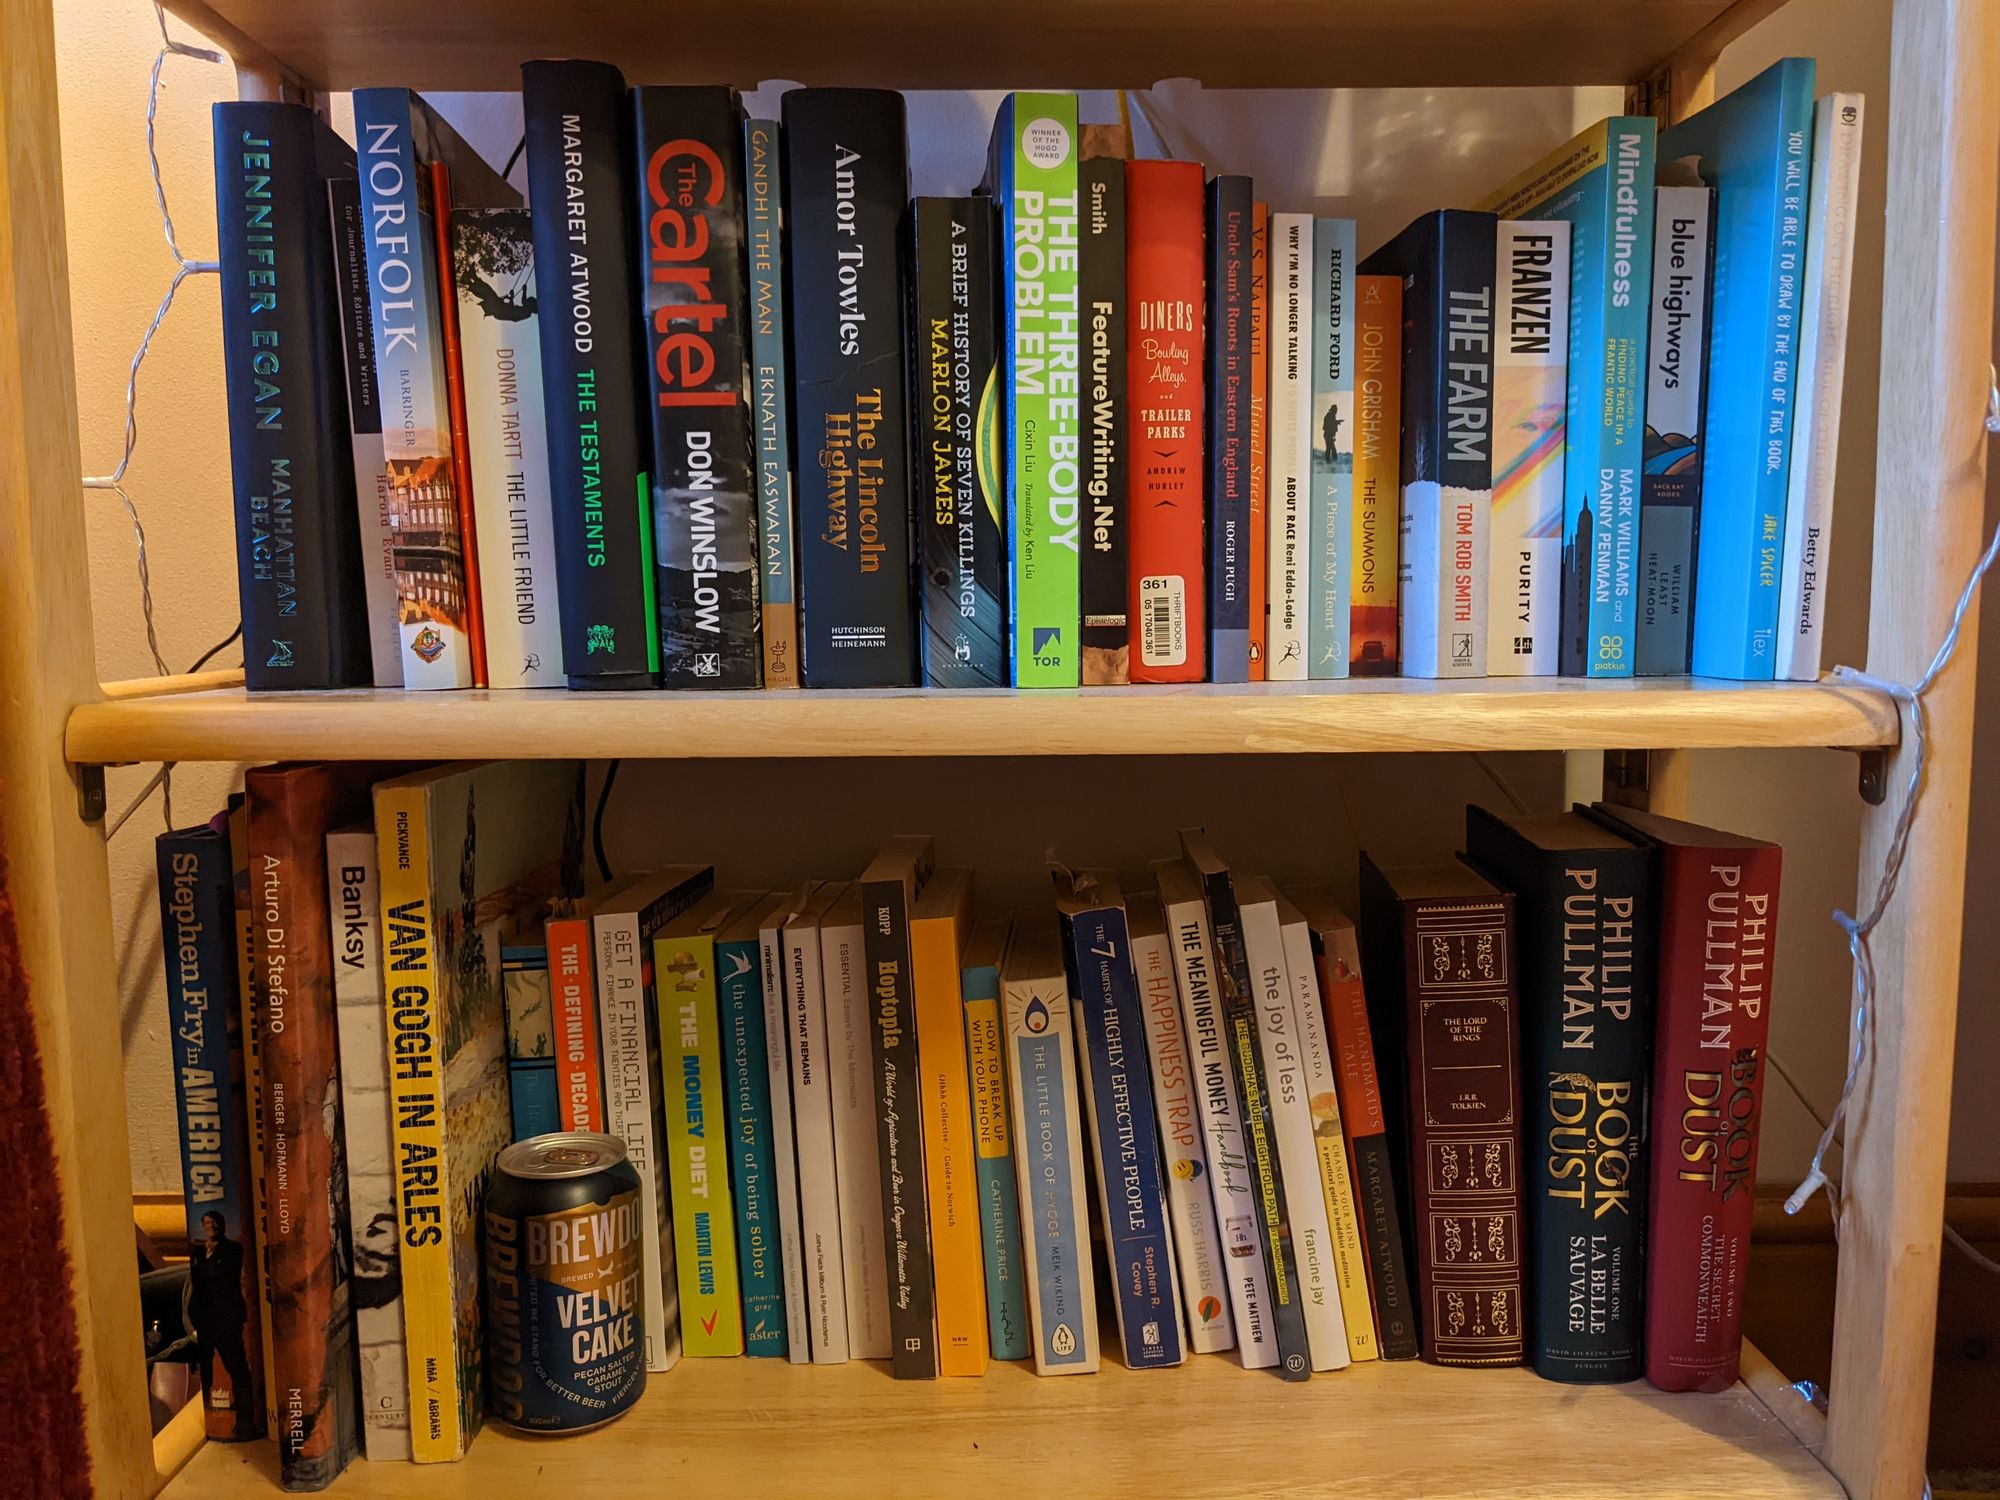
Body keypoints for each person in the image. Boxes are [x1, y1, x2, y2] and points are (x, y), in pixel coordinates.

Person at [187, 1209, 261, 1435]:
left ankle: (246, 1420)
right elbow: (195, 1284)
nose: (212, 1226)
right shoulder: (198, 1252)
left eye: (215, 1222)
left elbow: (221, 1275)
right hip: (204, 1319)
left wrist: (204, 1261)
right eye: (208, 1223)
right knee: (205, 1369)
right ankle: (211, 1415)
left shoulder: (232, 1249)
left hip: (227, 1318)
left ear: (222, 1225)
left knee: (237, 1367)